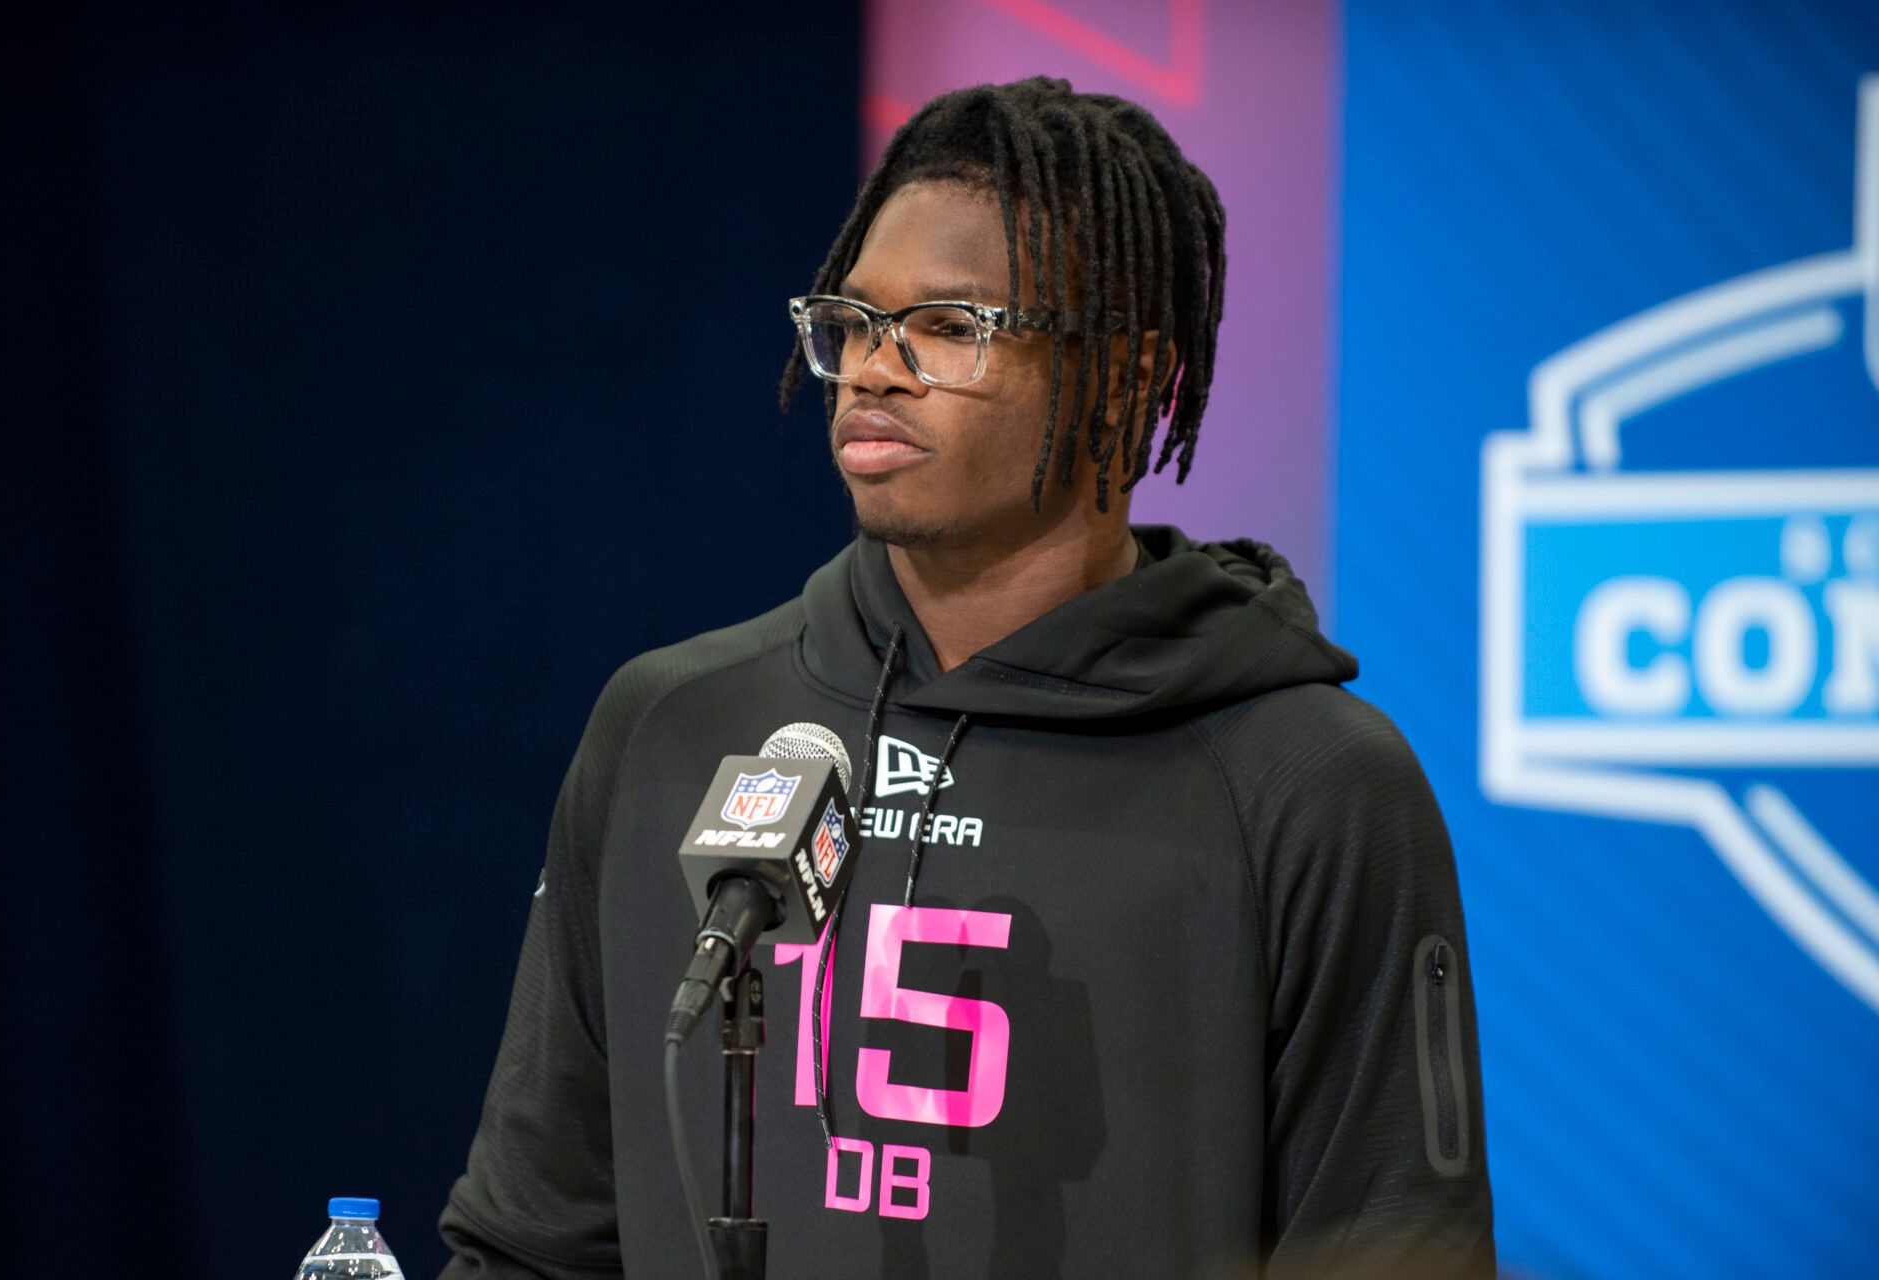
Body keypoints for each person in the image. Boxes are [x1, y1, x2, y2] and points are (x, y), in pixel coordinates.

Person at [438, 77, 1494, 1279]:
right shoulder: (671, 724)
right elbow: (531, 1239)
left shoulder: (1311, 783)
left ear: (1131, 375)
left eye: (950, 325)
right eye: (852, 318)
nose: (873, 369)